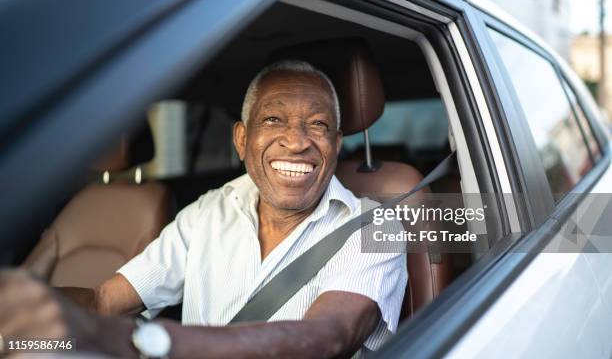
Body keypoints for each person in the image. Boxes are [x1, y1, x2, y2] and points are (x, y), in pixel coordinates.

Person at [0, 60, 407, 358]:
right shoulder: (210, 210)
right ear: (242, 139)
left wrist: (145, 342)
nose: (296, 141)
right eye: (273, 119)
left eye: (317, 125)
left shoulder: (377, 227)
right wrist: (18, 321)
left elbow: (326, 338)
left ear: (337, 143)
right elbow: (106, 300)